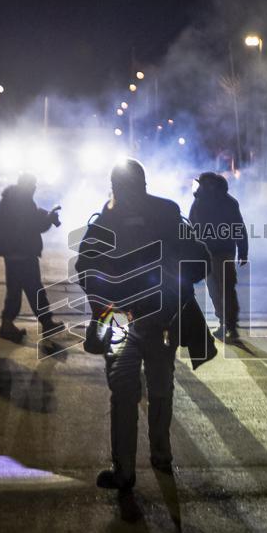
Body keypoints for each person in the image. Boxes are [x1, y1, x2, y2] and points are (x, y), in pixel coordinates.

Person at [75, 159, 213, 509]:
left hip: (129, 318)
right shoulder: (165, 213)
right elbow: (199, 259)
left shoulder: (109, 218)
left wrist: (103, 302)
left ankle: (127, 470)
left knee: (128, 392)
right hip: (153, 316)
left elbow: (85, 266)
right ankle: (158, 457)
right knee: (158, 387)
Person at [0, 173, 64, 342]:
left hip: (15, 254)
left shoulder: (14, 199)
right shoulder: (20, 201)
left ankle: (9, 325)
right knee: (34, 290)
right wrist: (49, 219)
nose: (34, 188)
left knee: (17, 291)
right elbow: (32, 226)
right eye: (33, 185)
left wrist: (46, 217)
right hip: (22, 254)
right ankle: (45, 322)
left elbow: (31, 220)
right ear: (28, 185)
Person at [188, 171, 248, 342]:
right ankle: (227, 324)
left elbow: (238, 227)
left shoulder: (224, 203)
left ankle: (229, 325)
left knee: (223, 290)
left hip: (219, 253)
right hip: (213, 253)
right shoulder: (205, 202)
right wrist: (242, 250)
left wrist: (243, 251)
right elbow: (192, 227)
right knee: (219, 291)